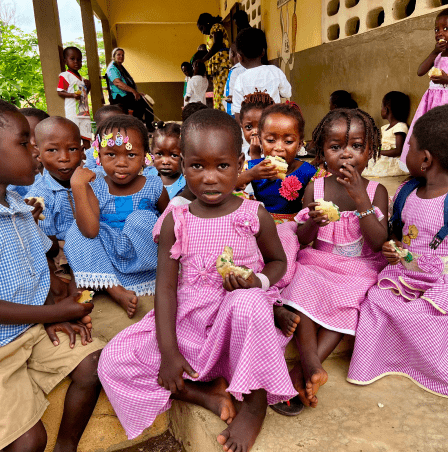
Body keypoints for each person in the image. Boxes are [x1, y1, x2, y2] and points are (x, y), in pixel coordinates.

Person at [97, 109, 297, 451]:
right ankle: (202, 392)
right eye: (197, 166)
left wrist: (259, 282)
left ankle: (255, 402)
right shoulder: (177, 219)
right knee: (113, 360)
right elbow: (165, 289)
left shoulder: (253, 214)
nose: (209, 178)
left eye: (222, 166)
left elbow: (278, 262)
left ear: (238, 165)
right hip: (190, 324)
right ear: (184, 165)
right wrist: (169, 351)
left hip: (237, 324)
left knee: (248, 301)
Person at [0, 100, 104, 452]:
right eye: (24, 142)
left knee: (94, 363)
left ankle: (67, 446)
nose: (35, 152)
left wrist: (54, 299)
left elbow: (39, 259)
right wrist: (57, 313)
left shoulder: (16, 205)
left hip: (32, 327)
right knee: (29, 440)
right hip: (1, 347)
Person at [272, 108, 389, 415]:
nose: (346, 155)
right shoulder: (317, 187)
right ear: (322, 152)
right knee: (302, 284)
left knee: (354, 300)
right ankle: (311, 361)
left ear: (370, 150)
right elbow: (304, 238)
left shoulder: (377, 191)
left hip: (360, 268)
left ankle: (304, 370)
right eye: (336, 147)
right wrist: (313, 220)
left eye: (356, 146)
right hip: (320, 260)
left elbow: (378, 242)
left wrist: (361, 200)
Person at [348, 105, 448, 397]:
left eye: (411, 149)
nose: (407, 155)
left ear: (426, 160)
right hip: (405, 273)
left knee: (428, 313)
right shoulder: (406, 192)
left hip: (441, 279)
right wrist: (394, 246)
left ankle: (425, 366)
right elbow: (396, 231)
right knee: (376, 301)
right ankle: (381, 360)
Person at [64, 115, 169, 318]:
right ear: (98, 155)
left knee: (144, 220)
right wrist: (78, 186)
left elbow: (170, 224)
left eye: (131, 155)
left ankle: (128, 282)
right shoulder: (96, 185)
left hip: (143, 257)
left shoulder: (154, 185)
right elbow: (90, 231)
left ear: (146, 156)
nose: (121, 163)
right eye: (111, 154)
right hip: (107, 256)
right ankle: (115, 289)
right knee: (77, 232)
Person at [27, 117, 84, 295]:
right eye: (52, 150)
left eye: (73, 149)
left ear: (83, 151)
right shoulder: (38, 196)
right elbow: (49, 248)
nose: (64, 158)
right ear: (38, 153)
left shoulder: (93, 180)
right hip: (63, 256)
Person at [236, 102, 316, 224]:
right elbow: (226, 187)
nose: (279, 147)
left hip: (295, 229)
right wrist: (250, 175)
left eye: (288, 141)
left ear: (300, 144)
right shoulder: (253, 167)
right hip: (261, 227)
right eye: (271, 140)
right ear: (261, 142)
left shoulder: (308, 171)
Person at [401, 9, 448, 172]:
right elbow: (420, 71)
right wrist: (435, 51)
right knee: (428, 136)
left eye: (446, 29)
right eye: (437, 29)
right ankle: (429, 168)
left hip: (445, 106)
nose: (440, 33)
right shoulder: (437, 55)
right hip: (431, 103)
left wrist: (446, 79)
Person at [232, 27, 291, 122]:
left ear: (239, 57)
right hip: (274, 124)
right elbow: (286, 93)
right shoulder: (275, 71)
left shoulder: (240, 79)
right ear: (263, 52)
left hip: (252, 131)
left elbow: (238, 113)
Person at [363, 91, 410, 177]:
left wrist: (379, 152)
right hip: (384, 155)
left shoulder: (400, 126)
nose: (381, 109)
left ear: (386, 109)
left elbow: (398, 151)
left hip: (392, 159)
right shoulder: (385, 127)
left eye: (382, 106)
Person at [106, 48, 153, 129]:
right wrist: (134, 92)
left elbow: (128, 83)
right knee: (143, 104)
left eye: (122, 55)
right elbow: (118, 83)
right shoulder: (112, 68)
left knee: (144, 101)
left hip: (126, 95)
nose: (121, 56)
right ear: (113, 56)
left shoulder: (120, 67)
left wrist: (136, 92)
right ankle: (143, 126)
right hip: (119, 97)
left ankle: (141, 124)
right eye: (118, 54)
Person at [7, 107, 49, 198]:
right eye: (24, 139)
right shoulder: (12, 178)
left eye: (39, 135)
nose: (33, 142)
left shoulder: (62, 172)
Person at [57, 46, 92, 149]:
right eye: (72, 59)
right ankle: (78, 157)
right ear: (65, 61)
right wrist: (72, 95)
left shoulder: (82, 79)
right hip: (73, 112)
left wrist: (88, 87)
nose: (76, 62)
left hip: (84, 111)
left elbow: (84, 94)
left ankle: (89, 156)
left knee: (87, 135)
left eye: (79, 60)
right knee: (74, 135)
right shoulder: (65, 76)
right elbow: (60, 92)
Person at [197, 13, 231, 111]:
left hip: (223, 65)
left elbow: (217, 44)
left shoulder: (217, 27)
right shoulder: (212, 32)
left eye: (202, 28)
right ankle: (221, 115)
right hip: (218, 68)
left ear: (207, 23)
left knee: (223, 93)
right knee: (218, 94)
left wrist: (204, 59)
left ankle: (225, 115)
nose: (202, 32)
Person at [152, 121, 185, 199]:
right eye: (159, 154)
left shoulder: (187, 184)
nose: (165, 162)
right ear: (152, 152)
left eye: (174, 155)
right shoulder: (147, 176)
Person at [238, 89, 274, 161]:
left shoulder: (275, 155)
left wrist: (255, 156)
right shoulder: (239, 155)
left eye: (261, 126)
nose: (255, 131)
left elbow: (260, 172)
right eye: (248, 127)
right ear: (242, 127)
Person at [223, 43, 246, 116]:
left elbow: (230, 98)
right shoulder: (248, 69)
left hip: (234, 113)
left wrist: (223, 98)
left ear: (232, 54)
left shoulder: (235, 71)